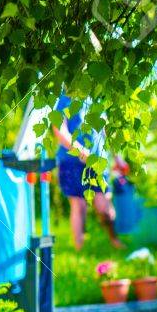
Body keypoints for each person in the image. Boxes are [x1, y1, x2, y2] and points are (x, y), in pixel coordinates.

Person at [54, 96, 122, 250]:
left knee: (104, 206)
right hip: (71, 161)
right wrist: (80, 151)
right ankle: (79, 247)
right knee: (78, 205)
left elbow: (105, 131)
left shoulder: (95, 97)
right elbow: (59, 130)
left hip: (97, 161)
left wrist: (118, 158)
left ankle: (114, 240)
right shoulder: (64, 99)